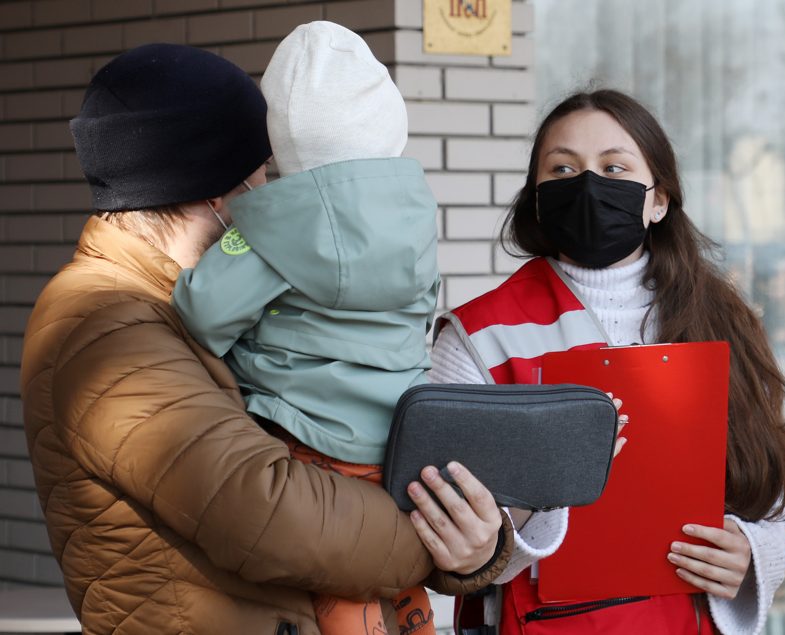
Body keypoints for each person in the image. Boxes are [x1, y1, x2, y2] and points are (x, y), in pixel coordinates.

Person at [20, 43, 512, 635]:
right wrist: (443, 540)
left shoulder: (189, 305)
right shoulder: (102, 324)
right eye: (265, 176)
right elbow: (270, 513)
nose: (274, 195)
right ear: (215, 191)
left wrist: (473, 544)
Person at [426, 89, 785, 635]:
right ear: (537, 197)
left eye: (614, 167)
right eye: (562, 169)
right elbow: (454, 541)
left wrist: (751, 552)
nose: (587, 186)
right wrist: (549, 487)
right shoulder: (478, 337)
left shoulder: (722, 319)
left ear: (659, 200)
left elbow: (767, 490)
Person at [170, 22, 480, 634]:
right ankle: (413, 616)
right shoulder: (415, 215)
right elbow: (422, 310)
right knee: (390, 551)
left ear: (284, 140)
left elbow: (202, 314)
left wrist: (222, 247)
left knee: (340, 569)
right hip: (398, 432)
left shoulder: (272, 228)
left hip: (307, 430)